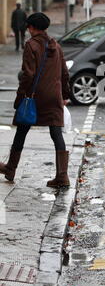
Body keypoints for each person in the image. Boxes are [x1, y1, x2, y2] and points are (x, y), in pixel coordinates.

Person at [0, 13, 71, 188]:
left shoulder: (31, 45)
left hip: (34, 97)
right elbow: (64, 73)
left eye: (28, 27)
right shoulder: (56, 45)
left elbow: (28, 74)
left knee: (22, 130)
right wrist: (65, 95)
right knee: (56, 133)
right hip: (54, 96)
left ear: (31, 27)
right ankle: (62, 176)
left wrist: (20, 96)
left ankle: (11, 169)